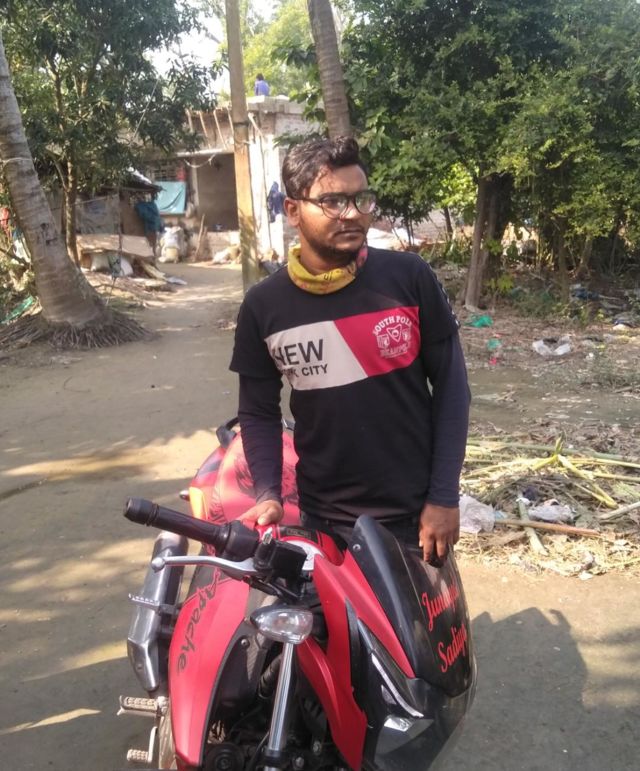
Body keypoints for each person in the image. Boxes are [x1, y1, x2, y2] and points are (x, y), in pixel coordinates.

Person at [230, 136, 470, 563]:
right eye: (333, 202)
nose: (353, 213)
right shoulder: (264, 307)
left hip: (416, 518)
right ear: (292, 211)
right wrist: (268, 492)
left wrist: (443, 496)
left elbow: (452, 389)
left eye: (361, 199)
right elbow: (257, 410)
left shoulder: (408, 278)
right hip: (323, 522)